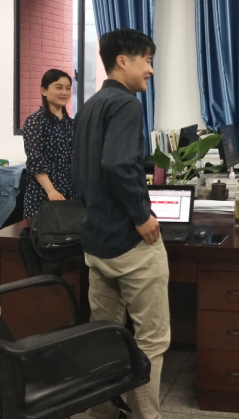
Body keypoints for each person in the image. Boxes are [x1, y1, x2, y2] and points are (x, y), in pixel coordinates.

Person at [72, 28, 167, 419]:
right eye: (147, 60)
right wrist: (142, 215)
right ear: (123, 61)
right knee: (152, 339)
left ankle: (102, 414)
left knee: (105, 334)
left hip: (96, 241)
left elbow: (83, 172)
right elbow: (116, 164)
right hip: (129, 243)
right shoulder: (127, 104)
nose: (151, 70)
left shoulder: (90, 106)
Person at [23, 68, 75, 219]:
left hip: (70, 194)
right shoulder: (35, 121)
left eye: (68, 88)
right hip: (43, 195)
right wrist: (51, 190)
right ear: (44, 91)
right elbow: (35, 160)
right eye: (59, 87)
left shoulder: (72, 124)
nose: (64, 92)